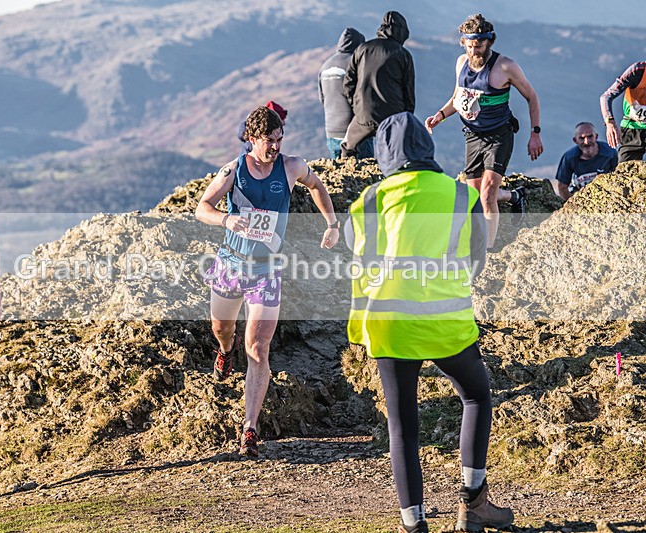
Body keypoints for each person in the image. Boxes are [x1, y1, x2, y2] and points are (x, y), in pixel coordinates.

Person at [345, 112, 512, 533]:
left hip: (389, 324)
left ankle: (414, 524)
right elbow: (477, 257)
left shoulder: (368, 200)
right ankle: (473, 503)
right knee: (476, 397)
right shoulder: (460, 195)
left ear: (385, 155)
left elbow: (357, 254)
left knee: (402, 428)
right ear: (427, 147)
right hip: (446, 322)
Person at [196, 105, 339, 457]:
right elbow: (202, 207)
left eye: (279, 138)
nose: (275, 146)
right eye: (268, 140)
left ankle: (250, 429)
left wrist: (332, 224)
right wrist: (226, 220)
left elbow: (317, 184)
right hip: (230, 263)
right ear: (251, 138)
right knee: (221, 329)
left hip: (266, 270)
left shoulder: (291, 167)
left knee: (258, 348)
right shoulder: (234, 170)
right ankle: (224, 352)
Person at [425, 13, 543, 248]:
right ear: (463, 43)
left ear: (489, 42)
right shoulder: (461, 63)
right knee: (475, 197)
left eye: (479, 46)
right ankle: (514, 196)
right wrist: (440, 115)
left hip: (499, 134)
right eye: (469, 46)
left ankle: (486, 251)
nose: (474, 51)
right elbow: (458, 97)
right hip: (472, 136)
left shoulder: (506, 66)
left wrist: (535, 133)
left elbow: (532, 96)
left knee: (487, 195)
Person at [341, 11, 414, 159]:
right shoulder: (403, 54)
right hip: (393, 116)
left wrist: (356, 106)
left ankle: (347, 170)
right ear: (402, 31)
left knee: (348, 149)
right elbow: (408, 91)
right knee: (396, 154)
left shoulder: (362, 49)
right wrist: (406, 117)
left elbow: (348, 83)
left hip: (364, 113)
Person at [318, 27, 370, 159]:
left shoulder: (325, 66)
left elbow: (322, 98)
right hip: (356, 133)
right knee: (364, 170)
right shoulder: (357, 63)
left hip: (332, 130)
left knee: (338, 170)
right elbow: (364, 97)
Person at [554, 122, 617, 200]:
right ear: (575, 140)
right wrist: (572, 203)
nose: (586, 142)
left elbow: (619, 177)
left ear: (596, 137)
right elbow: (562, 187)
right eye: (581, 138)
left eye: (590, 136)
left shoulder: (610, 152)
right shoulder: (569, 158)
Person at [600, 61, 646, 162]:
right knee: (626, 168)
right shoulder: (638, 70)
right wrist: (610, 122)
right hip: (632, 127)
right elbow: (606, 96)